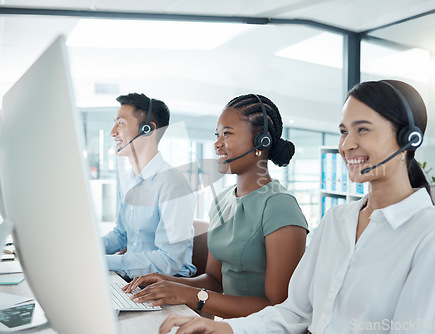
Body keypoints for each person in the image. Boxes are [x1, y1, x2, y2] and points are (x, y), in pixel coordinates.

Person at [158, 80, 435, 334]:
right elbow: (294, 311)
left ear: (408, 139)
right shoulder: (337, 220)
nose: (346, 145)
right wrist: (225, 330)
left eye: (362, 129)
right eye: (344, 131)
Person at [122, 94, 309, 319]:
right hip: (225, 327)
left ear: (262, 141)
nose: (217, 144)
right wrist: (171, 282)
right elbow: (214, 280)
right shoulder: (222, 200)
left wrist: (192, 296)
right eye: (217, 135)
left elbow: (279, 308)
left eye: (227, 134)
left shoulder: (279, 206)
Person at [104, 93, 196, 280]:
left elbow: (168, 262)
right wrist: (83, 251)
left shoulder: (173, 184)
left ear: (147, 129)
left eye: (120, 123)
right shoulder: (129, 179)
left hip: (170, 284)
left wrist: (102, 262)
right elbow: (121, 235)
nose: (112, 132)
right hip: (134, 278)